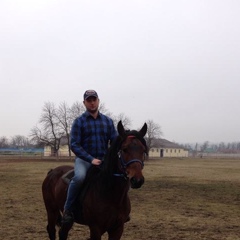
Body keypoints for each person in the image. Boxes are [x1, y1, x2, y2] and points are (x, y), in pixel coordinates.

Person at [62, 89, 118, 224]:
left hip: (104, 159)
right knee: (79, 177)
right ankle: (68, 210)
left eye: (94, 100)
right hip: (85, 160)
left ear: (98, 101)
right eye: (89, 100)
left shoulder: (108, 121)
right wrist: (91, 159)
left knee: (121, 177)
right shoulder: (79, 122)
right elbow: (74, 145)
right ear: (84, 103)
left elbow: (115, 141)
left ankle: (121, 210)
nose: (92, 103)